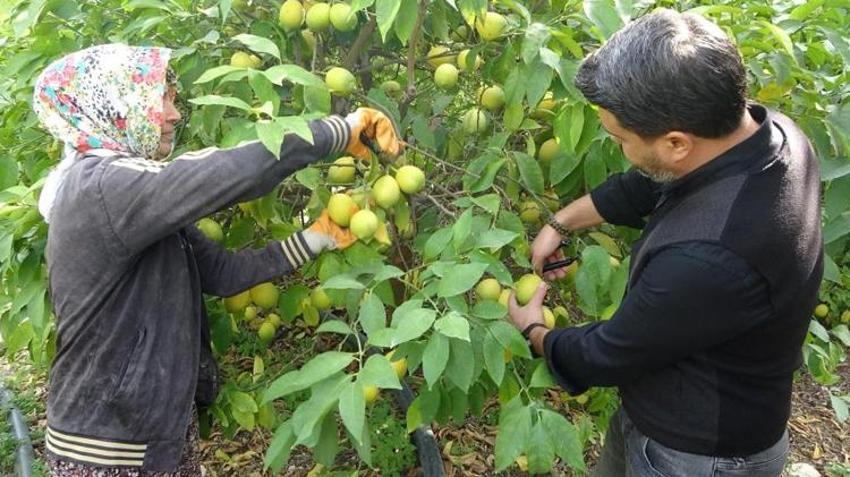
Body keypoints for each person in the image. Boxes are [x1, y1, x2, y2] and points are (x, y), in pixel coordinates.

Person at [32, 44, 401, 476]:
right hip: (108, 446)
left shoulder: (126, 196)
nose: (174, 115)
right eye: (161, 100)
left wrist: (316, 238)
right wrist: (340, 130)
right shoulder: (103, 186)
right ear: (115, 104)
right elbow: (230, 170)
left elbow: (221, 274)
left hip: (145, 435)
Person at [507, 9, 822, 477]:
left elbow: (609, 353)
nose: (618, 149)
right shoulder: (770, 133)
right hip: (669, 412)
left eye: (619, 139)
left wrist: (534, 331)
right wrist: (562, 222)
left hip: (698, 455)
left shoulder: (708, 260)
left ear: (677, 142)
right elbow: (652, 183)